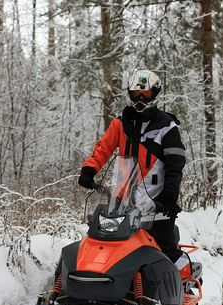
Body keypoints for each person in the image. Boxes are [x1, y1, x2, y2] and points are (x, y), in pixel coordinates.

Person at [78, 69, 186, 263]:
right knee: (105, 242)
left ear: (155, 94)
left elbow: (175, 166)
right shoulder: (121, 124)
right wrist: (89, 170)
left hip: (157, 202)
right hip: (122, 201)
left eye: (145, 95)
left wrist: (169, 199)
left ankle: (181, 278)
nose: (140, 100)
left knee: (166, 250)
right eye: (136, 95)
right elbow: (103, 148)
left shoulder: (167, 126)